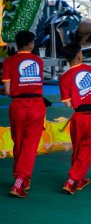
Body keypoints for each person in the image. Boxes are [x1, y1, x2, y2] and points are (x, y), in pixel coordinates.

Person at [2, 31, 45, 197]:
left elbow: (7, 90)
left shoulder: (8, 62)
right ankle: (20, 181)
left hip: (18, 105)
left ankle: (22, 178)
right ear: (32, 44)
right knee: (29, 145)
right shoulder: (38, 62)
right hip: (36, 105)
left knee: (19, 142)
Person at [59, 42, 91, 194]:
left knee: (78, 150)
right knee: (86, 151)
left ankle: (79, 179)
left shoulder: (64, 78)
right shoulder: (89, 69)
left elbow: (68, 104)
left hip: (78, 117)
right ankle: (72, 180)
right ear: (79, 56)